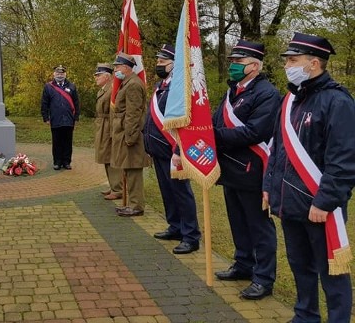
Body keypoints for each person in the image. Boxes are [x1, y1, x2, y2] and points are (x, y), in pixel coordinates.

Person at [264, 32, 355, 322]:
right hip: (290, 202)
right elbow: (277, 147)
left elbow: (343, 160)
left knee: (332, 270)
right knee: (300, 265)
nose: (287, 65)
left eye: (293, 60)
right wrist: (269, 186)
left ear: (314, 63)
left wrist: (325, 201)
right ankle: (305, 315)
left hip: (319, 207)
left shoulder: (337, 102)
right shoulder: (290, 100)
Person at [212, 40, 279, 299]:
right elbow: (219, 120)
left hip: (252, 169)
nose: (232, 66)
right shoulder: (233, 91)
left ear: (254, 65)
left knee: (258, 226)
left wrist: (214, 135)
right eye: (232, 62)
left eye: (237, 63)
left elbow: (255, 131)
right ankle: (243, 264)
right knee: (238, 221)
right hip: (230, 169)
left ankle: (263, 277)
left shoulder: (266, 93)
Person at [143, 44, 201, 254]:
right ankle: (175, 226)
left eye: (162, 61)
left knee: (181, 193)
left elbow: (185, 122)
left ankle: (190, 235)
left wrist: (179, 149)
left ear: (174, 65)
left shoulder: (181, 88)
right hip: (158, 149)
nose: (158, 65)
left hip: (173, 150)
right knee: (167, 191)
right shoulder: (162, 85)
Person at [110, 52, 149, 217]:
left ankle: (136, 206)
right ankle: (133, 204)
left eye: (117, 66)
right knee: (129, 170)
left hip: (131, 134)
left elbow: (133, 113)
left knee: (133, 172)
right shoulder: (128, 82)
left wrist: (130, 137)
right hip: (125, 132)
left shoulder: (132, 84)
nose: (115, 70)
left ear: (126, 67)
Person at [41, 65, 80, 170]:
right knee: (57, 142)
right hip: (55, 119)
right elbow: (44, 103)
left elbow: (76, 103)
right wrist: (46, 117)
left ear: (65, 74)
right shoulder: (48, 87)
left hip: (68, 119)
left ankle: (66, 162)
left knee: (67, 142)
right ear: (54, 74)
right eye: (58, 73)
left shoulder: (72, 86)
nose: (60, 75)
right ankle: (57, 162)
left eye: (62, 73)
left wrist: (76, 118)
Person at [93, 63, 122, 200]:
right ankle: (113, 185)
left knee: (111, 157)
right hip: (102, 125)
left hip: (108, 126)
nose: (95, 78)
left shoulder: (112, 90)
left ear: (107, 76)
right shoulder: (104, 89)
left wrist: (113, 132)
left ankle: (118, 188)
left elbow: (113, 112)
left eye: (98, 75)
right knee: (106, 157)